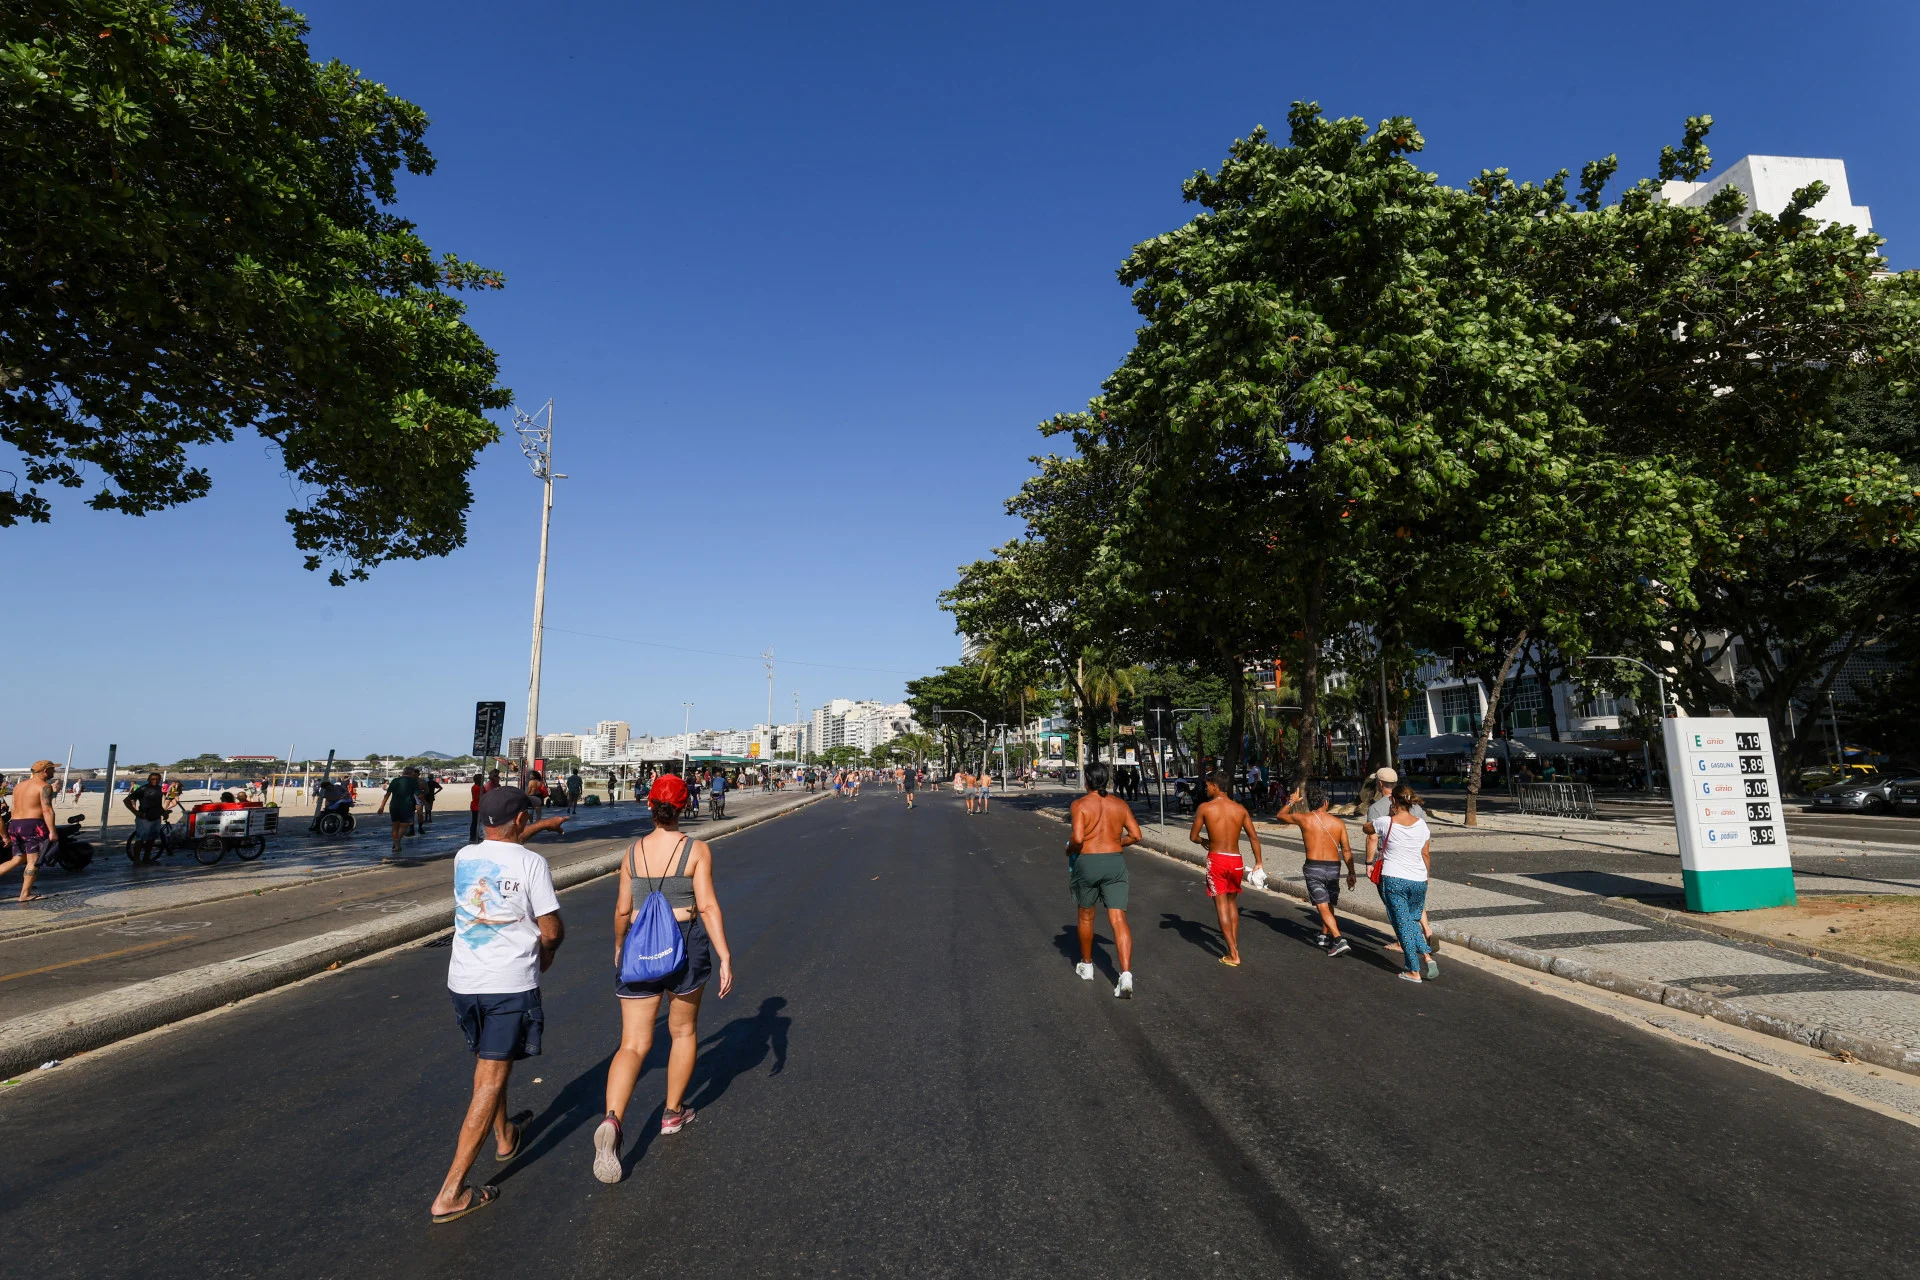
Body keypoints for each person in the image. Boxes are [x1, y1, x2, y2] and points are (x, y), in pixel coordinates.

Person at [430, 786, 568, 1223]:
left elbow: (504, 851)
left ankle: (505, 1136)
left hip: (463, 981)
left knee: (493, 1059)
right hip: (507, 983)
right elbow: (551, 929)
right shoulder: (533, 864)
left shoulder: (465, 857)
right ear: (521, 821)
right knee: (489, 1079)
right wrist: (549, 952)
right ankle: (451, 1192)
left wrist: (540, 826)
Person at [592, 772, 735, 1183]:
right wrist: (724, 955)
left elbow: (622, 910)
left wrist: (620, 946)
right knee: (683, 1032)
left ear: (650, 806)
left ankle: (614, 1120)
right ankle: (672, 1113)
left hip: (640, 943)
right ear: (684, 806)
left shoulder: (632, 853)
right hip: (685, 941)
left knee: (633, 1043)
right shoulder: (696, 850)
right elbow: (706, 906)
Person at [1066, 763, 1142, 997]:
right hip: (1114, 862)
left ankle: (1087, 966)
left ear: (1087, 780)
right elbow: (1136, 835)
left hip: (1088, 862)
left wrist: (1070, 850)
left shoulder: (1079, 805)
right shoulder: (1119, 804)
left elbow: (1078, 838)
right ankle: (1126, 975)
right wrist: (1117, 843)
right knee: (1118, 919)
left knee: (1086, 915)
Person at [1188, 770, 1265, 966]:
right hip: (1236, 860)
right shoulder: (1240, 809)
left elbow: (1193, 837)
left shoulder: (1205, 808)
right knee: (1232, 904)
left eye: (1207, 785)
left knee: (1221, 906)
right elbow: (1253, 837)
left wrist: (1204, 840)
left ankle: (1233, 953)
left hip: (1217, 860)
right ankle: (1234, 944)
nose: (1206, 789)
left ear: (1215, 786)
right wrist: (1258, 862)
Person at [1274, 782, 1356, 958]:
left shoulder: (1304, 819)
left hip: (1314, 867)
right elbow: (1347, 851)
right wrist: (1351, 872)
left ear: (1311, 804)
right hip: (1334, 867)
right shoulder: (1339, 823)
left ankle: (1339, 939)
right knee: (1328, 903)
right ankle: (1324, 935)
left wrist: (1291, 801)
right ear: (1326, 803)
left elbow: (1280, 816)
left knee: (1322, 904)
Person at [1361, 768, 1433, 958]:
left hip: (1391, 866)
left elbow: (1372, 838)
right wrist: (1426, 873)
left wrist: (1369, 863)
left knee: (1396, 906)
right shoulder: (1415, 807)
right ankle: (1427, 931)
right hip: (1416, 866)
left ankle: (1404, 943)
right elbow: (1425, 846)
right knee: (1414, 903)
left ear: (1380, 784)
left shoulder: (1376, 808)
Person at [1378, 783, 1436, 983]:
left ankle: (1413, 970)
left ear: (1393, 800)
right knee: (1412, 920)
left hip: (1394, 879)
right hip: (1419, 879)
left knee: (1403, 925)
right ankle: (1427, 956)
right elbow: (1426, 853)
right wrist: (1426, 875)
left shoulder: (1386, 822)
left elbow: (1366, 828)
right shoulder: (1422, 824)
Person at [2, 759, 58, 902]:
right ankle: (25, 894)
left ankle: (25, 893)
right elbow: (47, 810)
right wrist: (52, 831)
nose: (54, 772)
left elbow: (16, 806)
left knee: (18, 858)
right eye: (52, 769)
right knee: (33, 860)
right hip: (33, 824)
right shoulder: (44, 786)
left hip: (15, 824)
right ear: (45, 771)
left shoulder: (19, 786)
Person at [124, 771, 175, 862]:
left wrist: (164, 813)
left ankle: (146, 858)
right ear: (148, 779)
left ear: (160, 780)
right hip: (144, 817)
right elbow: (126, 800)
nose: (155, 781)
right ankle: (136, 859)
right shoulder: (143, 789)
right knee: (140, 839)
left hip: (156, 817)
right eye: (152, 779)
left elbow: (158, 805)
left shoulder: (159, 789)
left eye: (157, 779)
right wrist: (135, 812)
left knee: (151, 839)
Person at [377, 766, 422, 856]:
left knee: (395, 826)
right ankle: (397, 842)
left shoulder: (395, 780)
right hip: (406, 806)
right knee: (404, 826)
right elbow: (419, 794)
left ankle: (396, 844)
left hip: (394, 806)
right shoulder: (413, 781)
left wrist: (382, 806)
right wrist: (425, 802)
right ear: (411, 773)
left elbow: (387, 794)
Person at [468, 773, 486, 844]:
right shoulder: (475, 787)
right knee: (475, 823)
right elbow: (479, 796)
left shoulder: (481, 787)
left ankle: (477, 835)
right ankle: (472, 836)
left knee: (478, 823)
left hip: (480, 806)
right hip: (476, 807)